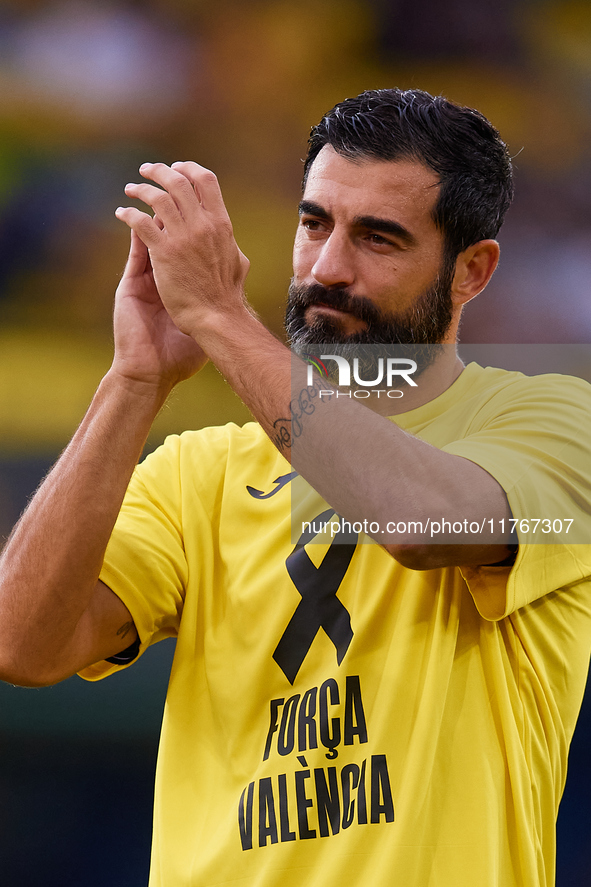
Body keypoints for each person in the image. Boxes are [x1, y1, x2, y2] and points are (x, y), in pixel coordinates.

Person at [1, 88, 591, 887]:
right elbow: (24, 646)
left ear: (471, 270)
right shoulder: (198, 471)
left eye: (378, 239)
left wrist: (220, 317)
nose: (326, 268)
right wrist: (133, 380)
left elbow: (421, 525)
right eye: (314, 223)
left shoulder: (554, 418)